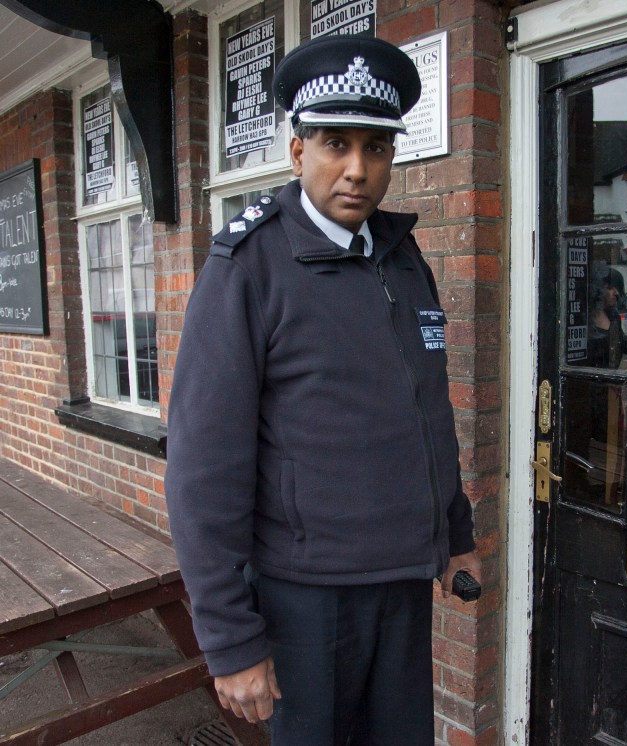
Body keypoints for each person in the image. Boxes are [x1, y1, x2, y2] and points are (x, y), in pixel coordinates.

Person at [164, 34, 480, 745]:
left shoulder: (401, 260)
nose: (358, 170)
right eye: (336, 144)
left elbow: (429, 411)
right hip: (305, 598)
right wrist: (230, 639)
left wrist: (454, 535)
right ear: (298, 150)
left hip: (402, 580)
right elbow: (201, 469)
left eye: (377, 148)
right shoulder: (247, 268)